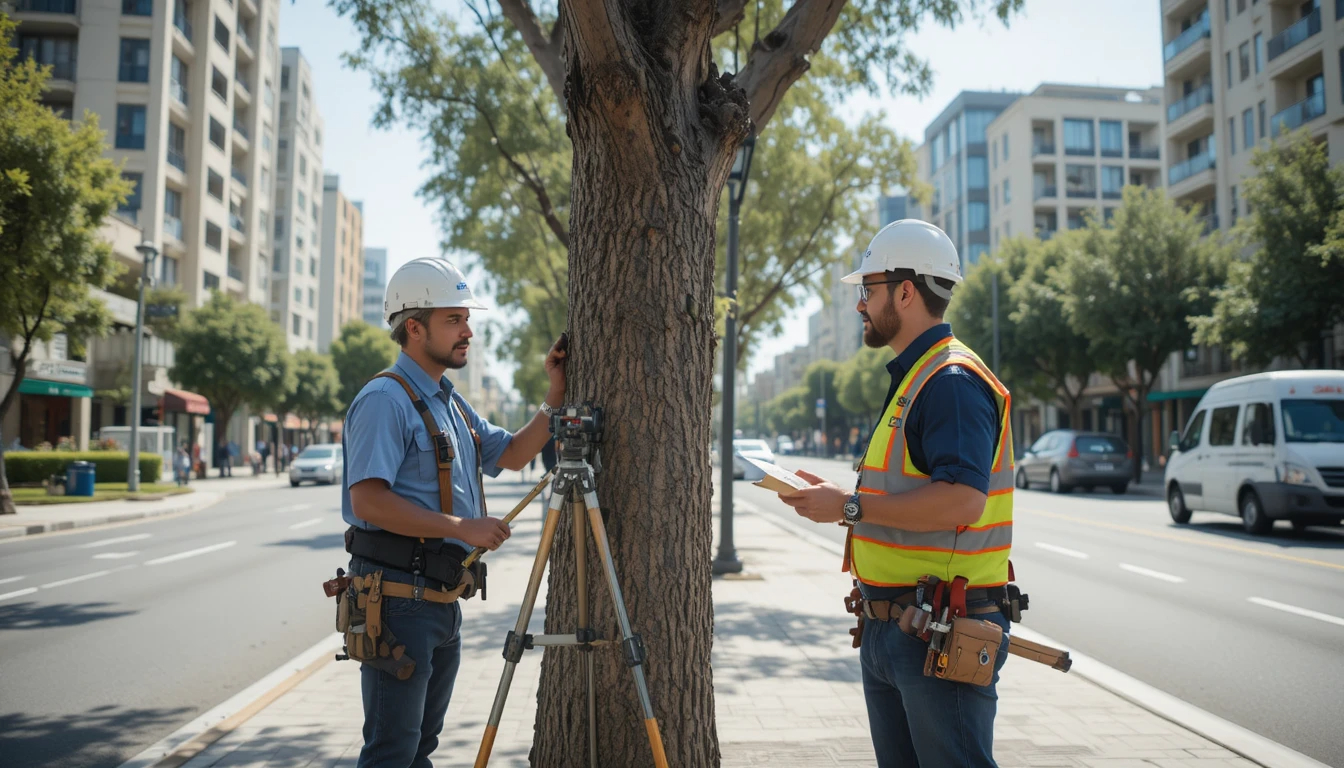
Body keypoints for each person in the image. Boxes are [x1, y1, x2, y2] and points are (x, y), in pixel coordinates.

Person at [776, 220, 1014, 768]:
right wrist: (837, 499)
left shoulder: (950, 381)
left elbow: (962, 501)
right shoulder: (917, 377)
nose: (861, 305)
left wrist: (851, 507)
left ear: (906, 291)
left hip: (937, 630)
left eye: (869, 290)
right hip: (898, 628)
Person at [342, 256, 567, 768]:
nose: (468, 331)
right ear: (414, 327)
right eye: (454, 320)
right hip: (399, 602)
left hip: (440, 601)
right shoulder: (384, 399)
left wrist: (555, 394)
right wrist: (463, 528)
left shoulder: (450, 401)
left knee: (419, 748)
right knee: (391, 752)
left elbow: (510, 454)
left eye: (467, 319)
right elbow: (368, 501)